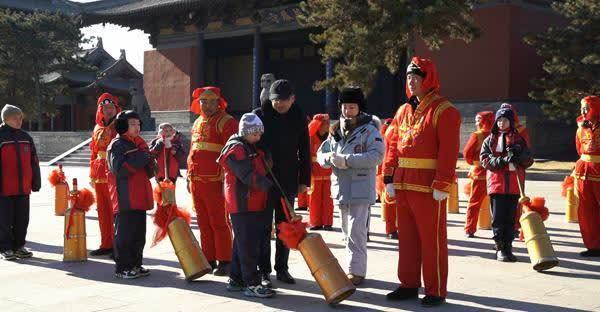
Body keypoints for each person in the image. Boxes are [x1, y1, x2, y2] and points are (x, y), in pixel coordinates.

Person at [384, 57, 461, 307]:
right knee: (406, 239)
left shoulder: (444, 110)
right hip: (404, 184)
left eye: (416, 76)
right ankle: (408, 284)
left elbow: (448, 150)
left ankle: (436, 289)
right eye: (408, 77)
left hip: (428, 186)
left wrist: (442, 182)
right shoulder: (402, 111)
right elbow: (392, 146)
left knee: (432, 240)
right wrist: (388, 176)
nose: (411, 81)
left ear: (429, 79)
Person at [317, 87, 384, 286]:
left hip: (360, 187)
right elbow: (322, 154)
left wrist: (347, 160)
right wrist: (329, 158)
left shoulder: (370, 130)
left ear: (359, 108)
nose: (348, 110)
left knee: (357, 231)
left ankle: (356, 272)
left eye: (352, 107)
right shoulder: (335, 129)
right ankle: (350, 268)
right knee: (346, 232)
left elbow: (377, 156)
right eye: (345, 106)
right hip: (341, 187)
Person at [254, 79, 311, 287]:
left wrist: (304, 180)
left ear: (292, 99)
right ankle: (263, 270)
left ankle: (282, 268)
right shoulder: (260, 115)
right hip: (264, 179)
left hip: (287, 178)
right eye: (276, 100)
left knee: (285, 225)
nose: (279, 104)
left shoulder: (298, 117)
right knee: (263, 226)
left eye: (284, 101)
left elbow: (305, 149)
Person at [218, 113, 275, 298]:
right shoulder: (236, 149)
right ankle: (252, 283)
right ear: (245, 132)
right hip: (241, 203)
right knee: (248, 245)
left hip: (252, 201)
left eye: (260, 134)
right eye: (255, 134)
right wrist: (268, 186)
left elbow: (263, 167)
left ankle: (236, 279)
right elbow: (247, 175)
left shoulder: (250, 146)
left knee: (242, 242)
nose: (258, 138)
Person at [188, 86, 238, 276]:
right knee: (202, 221)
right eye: (203, 101)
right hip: (197, 180)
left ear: (219, 102)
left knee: (219, 221)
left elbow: (232, 151)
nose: (207, 105)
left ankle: (225, 259)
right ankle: (208, 257)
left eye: (211, 101)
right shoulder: (197, 122)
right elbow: (194, 151)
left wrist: (227, 178)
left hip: (216, 180)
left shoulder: (227, 121)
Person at [480, 106, 533, 262]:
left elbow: (529, 160)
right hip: (497, 184)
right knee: (498, 218)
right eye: (499, 120)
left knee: (510, 218)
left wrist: (519, 154)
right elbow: (485, 160)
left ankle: (508, 247)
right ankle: (500, 247)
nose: (501, 123)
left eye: (505, 120)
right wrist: (501, 160)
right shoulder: (490, 140)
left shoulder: (519, 139)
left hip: (514, 185)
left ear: (511, 122)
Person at [107, 110, 155, 279]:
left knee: (138, 234)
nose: (137, 127)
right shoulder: (117, 145)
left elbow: (147, 172)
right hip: (124, 197)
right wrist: (143, 157)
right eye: (132, 124)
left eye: (138, 124)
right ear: (123, 126)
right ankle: (123, 267)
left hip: (140, 196)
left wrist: (151, 158)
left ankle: (136, 264)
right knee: (125, 235)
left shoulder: (139, 144)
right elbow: (120, 170)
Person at [0, 105, 41, 260]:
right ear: (6, 119)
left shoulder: (26, 137)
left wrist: (35, 181)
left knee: (22, 219)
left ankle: (19, 246)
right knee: (4, 220)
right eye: (15, 118)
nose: (19, 121)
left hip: (23, 188)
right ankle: (5, 248)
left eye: (21, 118)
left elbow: (34, 161)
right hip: (4, 189)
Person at [89, 93, 121, 257]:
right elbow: (93, 152)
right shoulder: (97, 128)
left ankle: (118, 246)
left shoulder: (120, 126)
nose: (108, 110)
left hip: (114, 173)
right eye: (105, 107)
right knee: (102, 211)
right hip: (99, 174)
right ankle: (106, 243)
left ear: (116, 109)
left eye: (111, 107)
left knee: (115, 211)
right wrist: (91, 174)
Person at [574, 95, 600, 257]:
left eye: (587, 108)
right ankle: (593, 245)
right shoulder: (580, 129)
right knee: (586, 210)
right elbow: (578, 149)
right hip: (583, 173)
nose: (583, 112)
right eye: (582, 109)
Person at [463, 111, 494, 237]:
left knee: (474, 202)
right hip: (495, 173)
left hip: (480, 173)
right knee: (498, 204)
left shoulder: (477, 135)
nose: (476, 123)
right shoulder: (498, 135)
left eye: (478, 120)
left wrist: (474, 163)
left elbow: (467, 153)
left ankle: (470, 229)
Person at [308, 114, 334, 230]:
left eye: (328, 123)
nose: (328, 125)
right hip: (315, 173)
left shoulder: (332, 136)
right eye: (325, 123)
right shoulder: (311, 137)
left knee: (329, 199)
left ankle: (328, 222)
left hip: (329, 172)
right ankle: (315, 222)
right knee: (314, 199)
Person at [377, 118, 398, 239]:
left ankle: (393, 229)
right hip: (393, 171)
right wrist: (389, 177)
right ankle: (391, 229)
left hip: (397, 170)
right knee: (391, 202)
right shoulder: (394, 130)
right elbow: (391, 156)